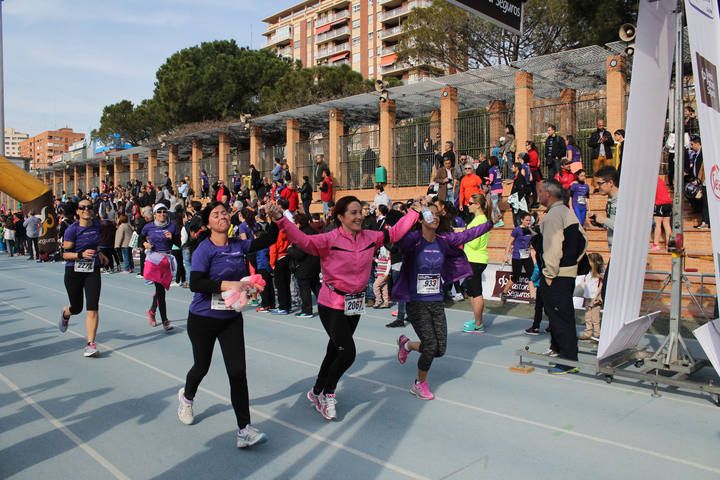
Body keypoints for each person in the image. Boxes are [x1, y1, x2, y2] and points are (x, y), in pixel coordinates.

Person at [268, 196, 421, 420]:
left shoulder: (370, 236)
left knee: (335, 349)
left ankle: (315, 390)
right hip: (331, 303)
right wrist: (281, 220)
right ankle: (328, 393)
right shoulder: (329, 239)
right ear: (340, 217)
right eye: (353, 212)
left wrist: (415, 213)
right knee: (347, 352)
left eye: (360, 211)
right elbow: (303, 240)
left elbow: (395, 233)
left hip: (355, 303)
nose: (359, 216)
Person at [178, 201, 279, 448]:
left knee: (238, 372)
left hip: (230, 319)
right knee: (201, 366)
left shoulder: (238, 244)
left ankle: (244, 430)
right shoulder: (204, 249)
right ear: (208, 222)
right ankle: (187, 397)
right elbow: (196, 283)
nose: (222, 216)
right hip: (203, 318)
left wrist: (276, 219)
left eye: (225, 212)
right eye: (216, 214)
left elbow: (268, 240)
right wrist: (229, 285)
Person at [394, 202, 495, 400]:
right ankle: (419, 383)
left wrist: (491, 223)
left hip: (437, 301)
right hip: (416, 302)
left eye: (437, 214)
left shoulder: (443, 240)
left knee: (439, 349)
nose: (435, 217)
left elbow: (467, 235)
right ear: (421, 220)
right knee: (431, 345)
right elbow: (398, 238)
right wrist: (413, 212)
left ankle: (406, 345)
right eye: (430, 214)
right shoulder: (413, 240)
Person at [538, 180, 587, 374]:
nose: (539, 195)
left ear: (548, 194)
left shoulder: (553, 215)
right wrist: (572, 262)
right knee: (561, 315)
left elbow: (552, 246)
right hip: (567, 273)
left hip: (557, 275)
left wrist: (550, 273)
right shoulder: (568, 212)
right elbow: (584, 240)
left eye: (541, 191)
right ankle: (560, 351)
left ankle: (568, 360)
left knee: (560, 317)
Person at [58, 199, 108, 357]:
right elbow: (64, 254)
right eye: (83, 207)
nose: (87, 209)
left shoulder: (96, 226)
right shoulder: (71, 230)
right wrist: (80, 254)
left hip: (92, 270)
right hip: (73, 270)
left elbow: (95, 244)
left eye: (89, 207)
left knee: (93, 307)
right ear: (78, 212)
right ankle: (66, 313)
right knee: (77, 307)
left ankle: (91, 344)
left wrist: (99, 253)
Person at [141, 203, 180, 332]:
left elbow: (179, 243)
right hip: (154, 260)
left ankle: (152, 311)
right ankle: (165, 321)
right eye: (159, 212)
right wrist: (145, 244)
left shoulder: (172, 227)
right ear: (154, 214)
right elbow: (140, 239)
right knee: (161, 291)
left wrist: (172, 237)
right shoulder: (148, 227)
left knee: (161, 289)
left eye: (164, 212)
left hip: (166, 260)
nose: (162, 214)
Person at [462, 194, 494, 334]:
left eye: (470, 203)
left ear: (478, 205)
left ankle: (478, 324)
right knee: (472, 292)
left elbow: (474, 243)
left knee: (476, 292)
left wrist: (463, 236)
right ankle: (476, 320)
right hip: (474, 259)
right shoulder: (479, 219)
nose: (468, 205)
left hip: (475, 259)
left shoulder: (480, 220)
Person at [287, 213, 321, 318]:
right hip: (315, 264)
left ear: (299, 223)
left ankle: (307, 311)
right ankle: (326, 306)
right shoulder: (314, 231)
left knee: (304, 289)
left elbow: (300, 254)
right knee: (316, 287)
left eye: (295, 223)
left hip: (304, 266)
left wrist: (289, 249)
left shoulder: (301, 235)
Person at [500, 212, 534, 302]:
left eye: (529, 220)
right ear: (522, 220)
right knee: (516, 277)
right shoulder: (517, 230)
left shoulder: (531, 230)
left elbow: (531, 243)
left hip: (527, 256)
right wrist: (506, 255)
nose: (528, 222)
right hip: (517, 257)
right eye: (526, 220)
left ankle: (532, 297)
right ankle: (504, 293)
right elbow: (509, 243)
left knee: (532, 275)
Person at [577, 253, 604, 342]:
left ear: (593, 263)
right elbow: (584, 283)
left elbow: (600, 286)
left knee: (595, 318)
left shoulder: (600, 275)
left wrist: (596, 297)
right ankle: (588, 332)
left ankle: (597, 334)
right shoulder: (587, 273)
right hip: (587, 297)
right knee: (588, 317)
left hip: (595, 298)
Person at [589, 119, 614, 190]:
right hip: (597, 155)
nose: (601, 126)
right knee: (596, 171)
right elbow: (590, 144)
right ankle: (596, 187)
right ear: (597, 125)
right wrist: (598, 142)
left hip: (606, 155)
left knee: (608, 171)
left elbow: (611, 143)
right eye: (600, 125)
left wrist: (606, 141)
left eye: (602, 125)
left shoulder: (608, 133)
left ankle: (608, 186)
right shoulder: (594, 134)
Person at [652, 176, 672, 251]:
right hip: (668, 203)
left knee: (658, 224)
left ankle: (656, 244)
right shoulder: (661, 180)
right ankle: (669, 244)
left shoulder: (652, 181)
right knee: (666, 224)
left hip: (660, 203)